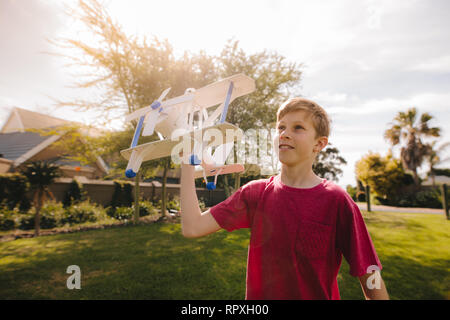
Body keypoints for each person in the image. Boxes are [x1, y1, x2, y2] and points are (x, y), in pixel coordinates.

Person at [180, 97, 389, 300]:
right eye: (281, 128)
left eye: (298, 128)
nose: (285, 134)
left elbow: (370, 271)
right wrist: (187, 162)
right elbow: (193, 227)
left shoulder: (336, 200)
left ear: (319, 144)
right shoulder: (255, 193)